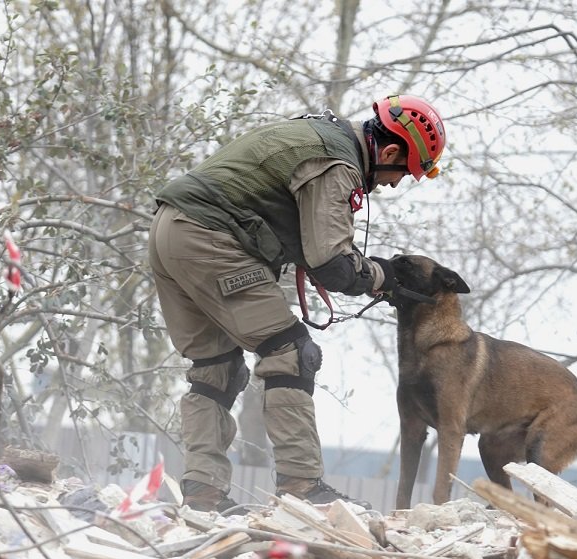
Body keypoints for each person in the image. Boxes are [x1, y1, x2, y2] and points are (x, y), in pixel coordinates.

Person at [149, 94, 447, 512]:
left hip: (169, 230)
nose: (393, 183)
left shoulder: (315, 134)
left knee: (215, 368)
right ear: (392, 150)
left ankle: (203, 493)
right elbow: (333, 264)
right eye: (403, 173)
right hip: (208, 237)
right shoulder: (337, 163)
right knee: (291, 352)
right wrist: (385, 277)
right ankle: (302, 486)